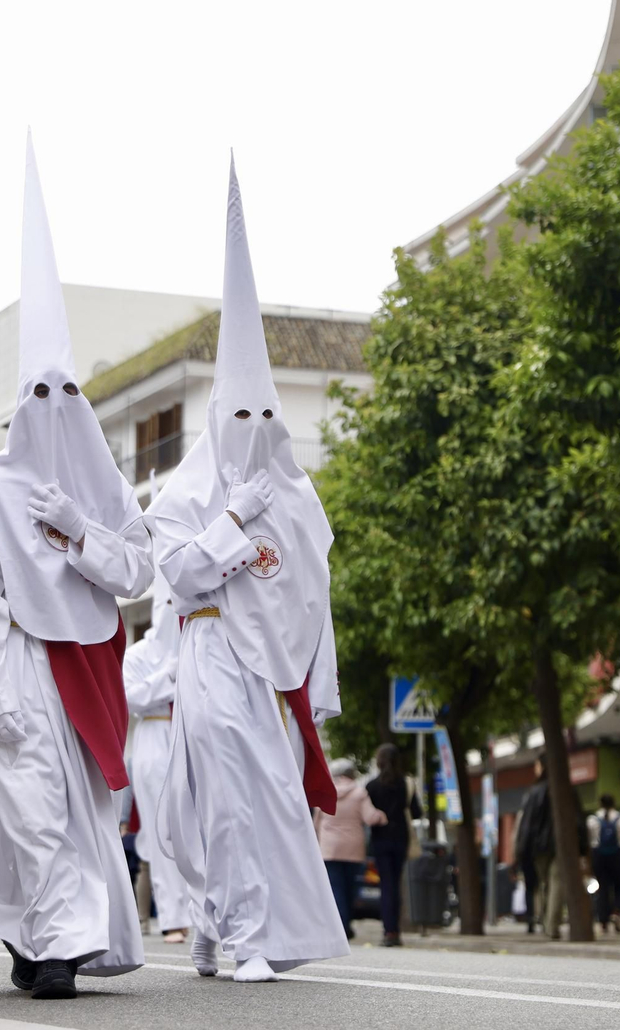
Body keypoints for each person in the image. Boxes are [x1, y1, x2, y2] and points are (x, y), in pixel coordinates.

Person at [0, 135, 153, 1001]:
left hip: (87, 665)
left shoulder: (102, 485)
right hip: (21, 663)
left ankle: (48, 938)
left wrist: (83, 533)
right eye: (39, 397)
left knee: (83, 814)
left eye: (68, 395)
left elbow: (134, 569)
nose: (55, 413)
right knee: (29, 804)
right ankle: (53, 947)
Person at [146, 158, 346, 984]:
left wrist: (319, 688)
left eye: (269, 413)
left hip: (271, 671)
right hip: (206, 651)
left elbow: (313, 595)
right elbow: (184, 575)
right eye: (240, 413)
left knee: (264, 794)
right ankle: (245, 933)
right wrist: (232, 520)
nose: (255, 427)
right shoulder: (185, 489)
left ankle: (223, 922)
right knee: (220, 785)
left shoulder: (298, 499)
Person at [122, 540, 192, 944]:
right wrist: (166, 676)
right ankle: (172, 917)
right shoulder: (139, 654)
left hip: (186, 733)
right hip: (151, 735)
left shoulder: (192, 641)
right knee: (160, 827)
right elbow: (131, 698)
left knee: (196, 824)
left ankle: (204, 912)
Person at [363, 744, 423, 947]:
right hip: (400, 838)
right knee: (395, 884)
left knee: (386, 885)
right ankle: (395, 931)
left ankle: (388, 931)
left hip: (380, 840)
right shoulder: (406, 784)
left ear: (379, 761)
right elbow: (417, 812)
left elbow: (366, 814)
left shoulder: (371, 786)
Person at [316, 757, 378, 941]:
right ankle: (345, 925)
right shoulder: (360, 793)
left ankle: (339, 927)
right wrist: (382, 817)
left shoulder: (325, 791)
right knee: (351, 888)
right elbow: (370, 818)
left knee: (335, 889)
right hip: (353, 849)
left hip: (329, 848)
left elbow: (315, 823)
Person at [513, 759, 555, 938]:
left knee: (537, 885)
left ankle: (538, 919)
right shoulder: (557, 788)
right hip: (549, 846)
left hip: (538, 847)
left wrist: (520, 851)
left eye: (537, 765)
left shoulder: (535, 793)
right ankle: (546, 920)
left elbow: (526, 827)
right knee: (549, 884)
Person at [588, 793, 620, 933]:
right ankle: (617, 911)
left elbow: (589, 842)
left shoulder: (593, 820)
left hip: (600, 858)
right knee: (619, 887)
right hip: (618, 858)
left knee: (602, 888)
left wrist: (587, 862)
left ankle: (603, 919)